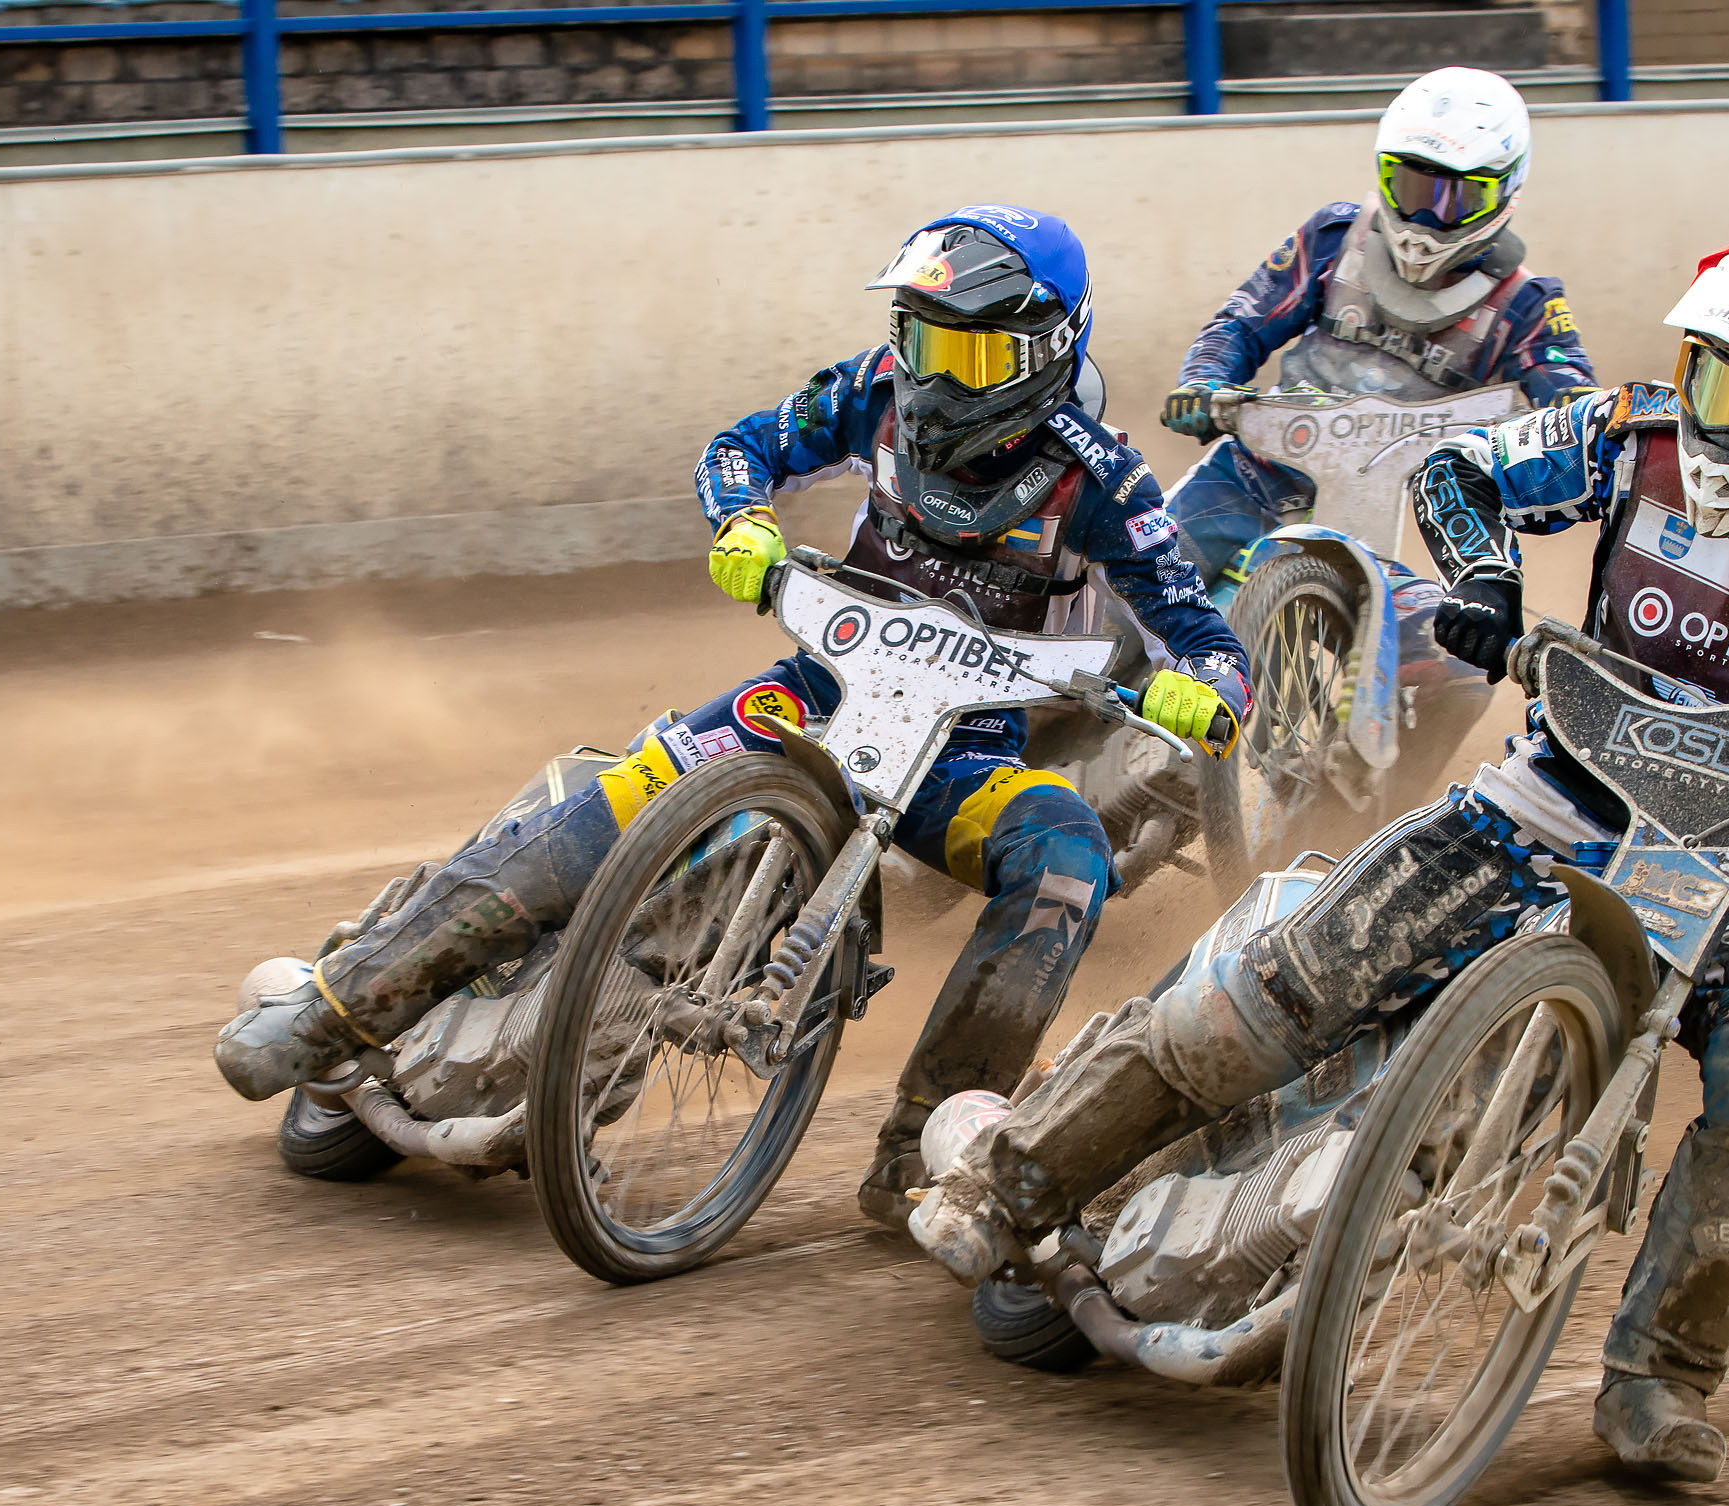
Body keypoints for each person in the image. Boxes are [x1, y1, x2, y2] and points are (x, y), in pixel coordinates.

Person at [906, 216, 1729, 1483]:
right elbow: (1462, 473)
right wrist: (1482, 575)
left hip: (1725, 876)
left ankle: (1661, 1378)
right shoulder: (1632, 435)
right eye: (1722, 386)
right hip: (1541, 801)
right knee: (1267, 996)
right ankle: (1016, 1183)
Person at [216, 205, 1251, 1229]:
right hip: (812, 697)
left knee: (1067, 853)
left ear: (1047, 347)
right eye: (922, 341)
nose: (934, 377)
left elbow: (1204, 636)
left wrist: (1202, 690)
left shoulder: (1101, 475)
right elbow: (739, 446)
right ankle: (340, 1003)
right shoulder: (873, 391)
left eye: (969, 357)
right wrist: (744, 519)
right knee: (630, 783)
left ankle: (925, 1146)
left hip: (962, 758)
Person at [1156, 66, 1598, 587]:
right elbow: (1242, 323)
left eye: (1457, 199)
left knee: (1449, 659)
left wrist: (1570, 431)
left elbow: (1575, 409)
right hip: (1253, 473)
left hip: (1393, 521)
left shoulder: (1526, 305)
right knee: (1138, 575)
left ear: (1505, 191)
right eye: (1411, 189)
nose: (1425, 220)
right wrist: (1203, 385)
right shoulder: (1335, 238)